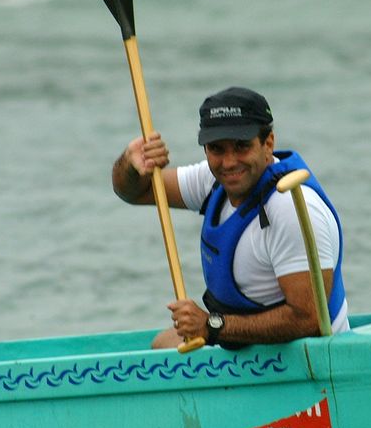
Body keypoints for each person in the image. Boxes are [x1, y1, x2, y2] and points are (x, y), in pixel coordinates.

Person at [112, 86, 349, 349]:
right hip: (250, 350)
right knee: (164, 345)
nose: (228, 163)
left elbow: (311, 320)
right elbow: (137, 192)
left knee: (169, 349)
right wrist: (134, 164)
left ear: (268, 143)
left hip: (305, 362)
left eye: (241, 146)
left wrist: (212, 325)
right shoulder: (213, 181)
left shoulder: (290, 206)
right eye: (217, 149)